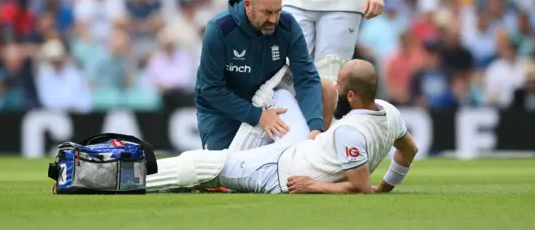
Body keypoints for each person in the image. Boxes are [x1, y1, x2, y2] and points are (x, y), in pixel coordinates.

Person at [146, 60, 418, 194]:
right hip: (298, 149)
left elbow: (359, 188)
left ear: (351, 96)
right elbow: (409, 150)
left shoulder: (351, 131)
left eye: (340, 83)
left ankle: (131, 181)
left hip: (278, 172)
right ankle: (236, 157)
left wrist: (312, 186)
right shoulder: (389, 111)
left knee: (202, 164)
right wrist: (385, 188)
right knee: (284, 97)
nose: (335, 86)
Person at [195, 0, 337, 152]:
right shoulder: (219, 29)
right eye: (267, 12)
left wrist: (316, 127)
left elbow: (306, 76)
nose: (274, 19)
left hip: (269, 96)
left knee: (327, 88)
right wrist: (259, 116)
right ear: (248, 5)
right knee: (220, 174)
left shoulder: (288, 25)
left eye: (278, 11)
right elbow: (210, 89)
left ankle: (319, 154)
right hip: (223, 111)